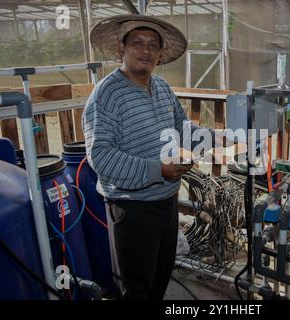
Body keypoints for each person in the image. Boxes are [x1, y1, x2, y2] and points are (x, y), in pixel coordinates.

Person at [83, 14, 215, 300]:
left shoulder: (162, 87)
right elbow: (100, 156)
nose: (146, 50)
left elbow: (182, 128)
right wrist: (160, 170)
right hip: (131, 208)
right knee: (136, 288)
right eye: (138, 43)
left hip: (166, 202)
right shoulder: (107, 94)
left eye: (153, 45)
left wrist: (216, 137)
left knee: (160, 276)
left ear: (159, 54)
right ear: (122, 49)